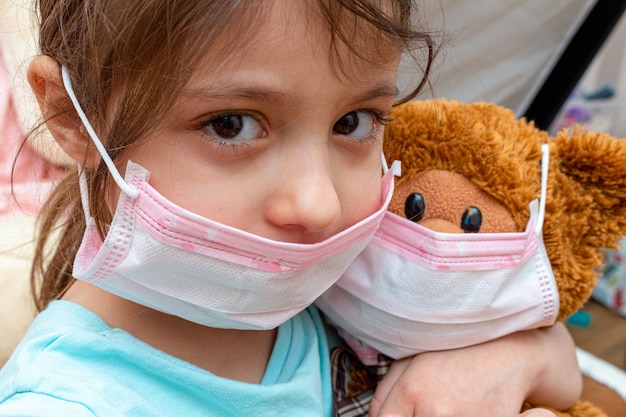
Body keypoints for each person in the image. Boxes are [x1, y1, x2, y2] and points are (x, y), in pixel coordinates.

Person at [0, 0, 581, 416]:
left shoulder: (340, 285)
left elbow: (560, 362)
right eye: (232, 124)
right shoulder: (69, 403)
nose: (320, 204)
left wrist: (499, 363)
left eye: (351, 123)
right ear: (73, 118)